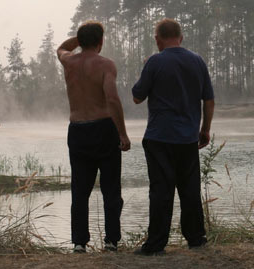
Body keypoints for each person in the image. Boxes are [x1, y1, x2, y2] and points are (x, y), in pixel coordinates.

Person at [132, 18, 214, 256]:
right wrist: (205, 129)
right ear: (181, 37)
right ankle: (196, 239)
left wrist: (145, 67)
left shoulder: (155, 61)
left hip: (159, 137)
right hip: (187, 138)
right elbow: (208, 99)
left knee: (161, 190)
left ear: (158, 39)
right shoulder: (197, 61)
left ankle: (156, 244)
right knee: (190, 190)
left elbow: (137, 97)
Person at [57, 21, 131, 253]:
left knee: (80, 190)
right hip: (103, 128)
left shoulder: (69, 61)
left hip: (78, 128)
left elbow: (61, 47)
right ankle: (111, 240)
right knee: (111, 188)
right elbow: (112, 99)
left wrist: (79, 39)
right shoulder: (105, 64)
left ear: (80, 41)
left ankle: (79, 243)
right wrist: (122, 133)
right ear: (101, 41)